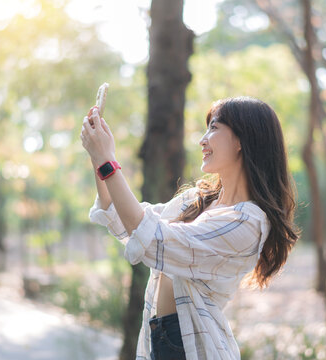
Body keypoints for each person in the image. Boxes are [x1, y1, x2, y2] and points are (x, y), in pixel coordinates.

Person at [81, 96, 299, 360]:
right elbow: (124, 221)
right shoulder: (198, 200)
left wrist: (107, 160)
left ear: (242, 140)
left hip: (193, 347)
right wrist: (99, 157)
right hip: (160, 338)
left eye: (214, 128)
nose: (202, 139)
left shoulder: (247, 222)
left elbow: (153, 240)